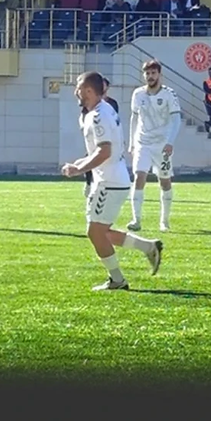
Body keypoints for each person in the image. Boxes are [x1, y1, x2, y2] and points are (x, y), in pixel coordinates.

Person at [61, 71, 163, 291]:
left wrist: (78, 168)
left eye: (78, 87)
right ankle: (148, 247)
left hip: (109, 181)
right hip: (111, 179)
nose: (75, 91)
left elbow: (105, 151)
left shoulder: (98, 115)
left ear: (88, 90)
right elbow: (104, 149)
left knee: (95, 232)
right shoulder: (102, 110)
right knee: (102, 232)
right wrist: (82, 161)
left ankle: (117, 279)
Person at [128, 60, 181, 232]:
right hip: (143, 142)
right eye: (147, 73)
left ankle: (164, 221)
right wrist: (132, 143)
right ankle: (136, 220)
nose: (150, 76)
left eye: (153, 73)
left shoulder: (169, 94)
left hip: (162, 145)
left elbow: (176, 119)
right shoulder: (137, 94)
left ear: (159, 74)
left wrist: (170, 142)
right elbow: (134, 118)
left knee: (164, 181)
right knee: (139, 177)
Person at [84, 76, 119, 199]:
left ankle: (95, 186)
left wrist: (77, 169)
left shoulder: (103, 110)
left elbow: (104, 151)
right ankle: (89, 183)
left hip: (111, 177)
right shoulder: (94, 107)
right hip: (95, 138)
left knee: (97, 158)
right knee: (90, 158)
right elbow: (83, 116)